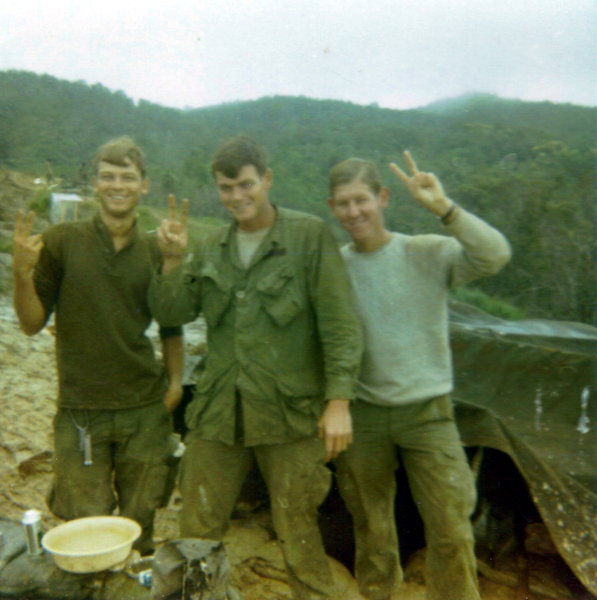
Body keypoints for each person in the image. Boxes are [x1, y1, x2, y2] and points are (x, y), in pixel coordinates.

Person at [148, 135, 362, 600]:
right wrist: (170, 260)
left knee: (298, 530)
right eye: (226, 188)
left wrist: (339, 402)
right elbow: (173, 313)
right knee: (196, 528)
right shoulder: (209, 245)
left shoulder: (308, 237)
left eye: (246, 184)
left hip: (288, 415)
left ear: (266, 179)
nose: (237, 197)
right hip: (219, 411)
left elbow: (342, 326)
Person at [327, 151, 512, 600]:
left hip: (428, 414)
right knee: (372, 529)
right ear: (333, 208)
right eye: (343, 204)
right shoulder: (333, 266)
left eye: (362, 200)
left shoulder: (424, 251)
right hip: (364, 414)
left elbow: (495, 255)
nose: (354, 212)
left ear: (383, 197)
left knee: (451, 527)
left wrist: (444, 208)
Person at [12, 137, 184, 555]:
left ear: (144, 185)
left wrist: (177, 383)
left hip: (144, 408)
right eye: (108, 176)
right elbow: (32, 324)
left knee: (139, 527)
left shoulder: (155, 248)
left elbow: (172, 322)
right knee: (87, 532)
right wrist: (19, 273)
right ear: (94, 183)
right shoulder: (61, 241)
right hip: (79, 411)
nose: (117, 185)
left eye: (128, 176)